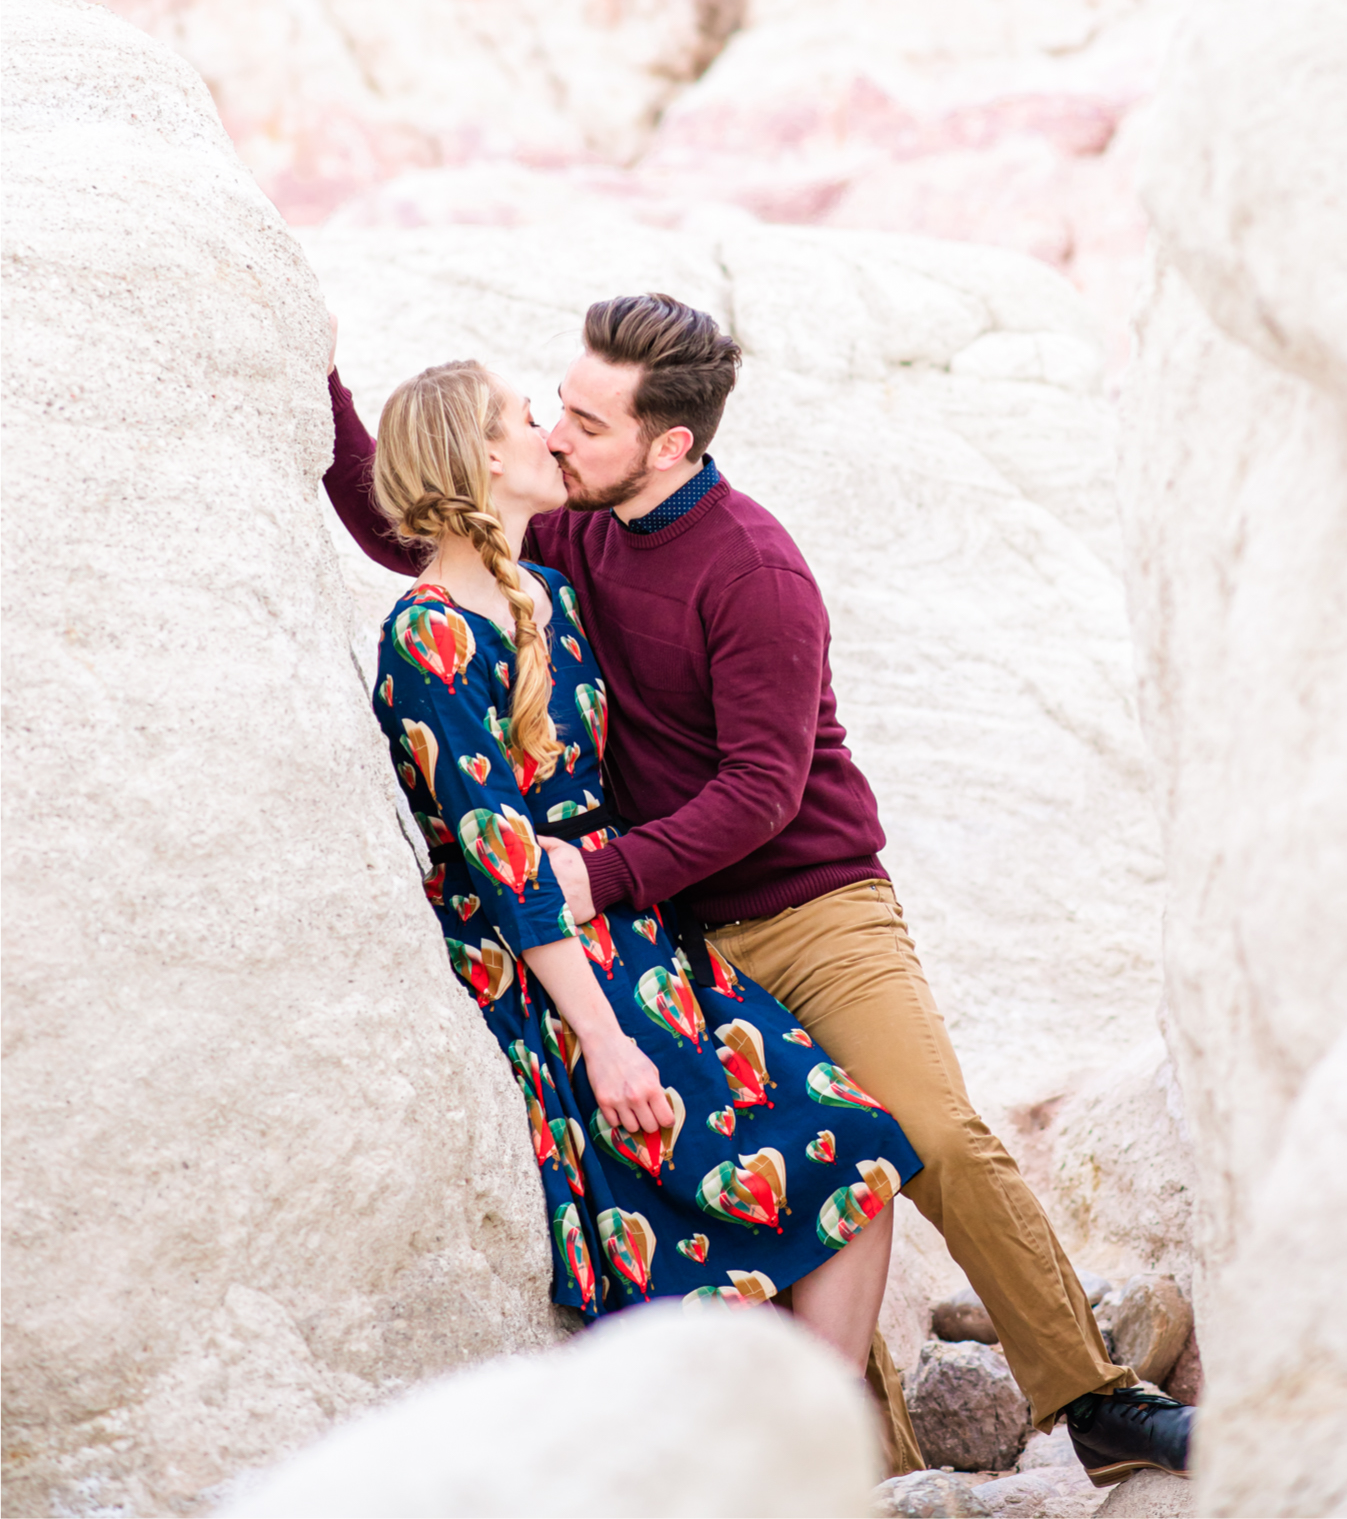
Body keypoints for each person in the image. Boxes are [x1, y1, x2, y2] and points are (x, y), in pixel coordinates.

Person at [326, 298, 1194, 1489]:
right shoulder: (568, 538)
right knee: (791, 1160)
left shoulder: (752, 567)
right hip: (657, 931)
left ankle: (1093, 1399)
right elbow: (420, 521)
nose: (562, 435)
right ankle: (863, 1460)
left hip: (807, 906)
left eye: (586, 420)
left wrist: (599, 874)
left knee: (926, 1135)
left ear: (668, 443)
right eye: (554, 413)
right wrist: (305, 366)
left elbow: (764, 793)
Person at [367, 356, 921, 1376]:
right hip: (552, 962)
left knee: (857, 1145)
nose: (554, 436)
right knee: (701, 1220)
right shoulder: (427, 639)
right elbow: (502, 869)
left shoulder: (550, 596)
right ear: (486, 456)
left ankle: (820, 1441)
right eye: (532, 419)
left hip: (639, 930)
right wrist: (606, 1041)